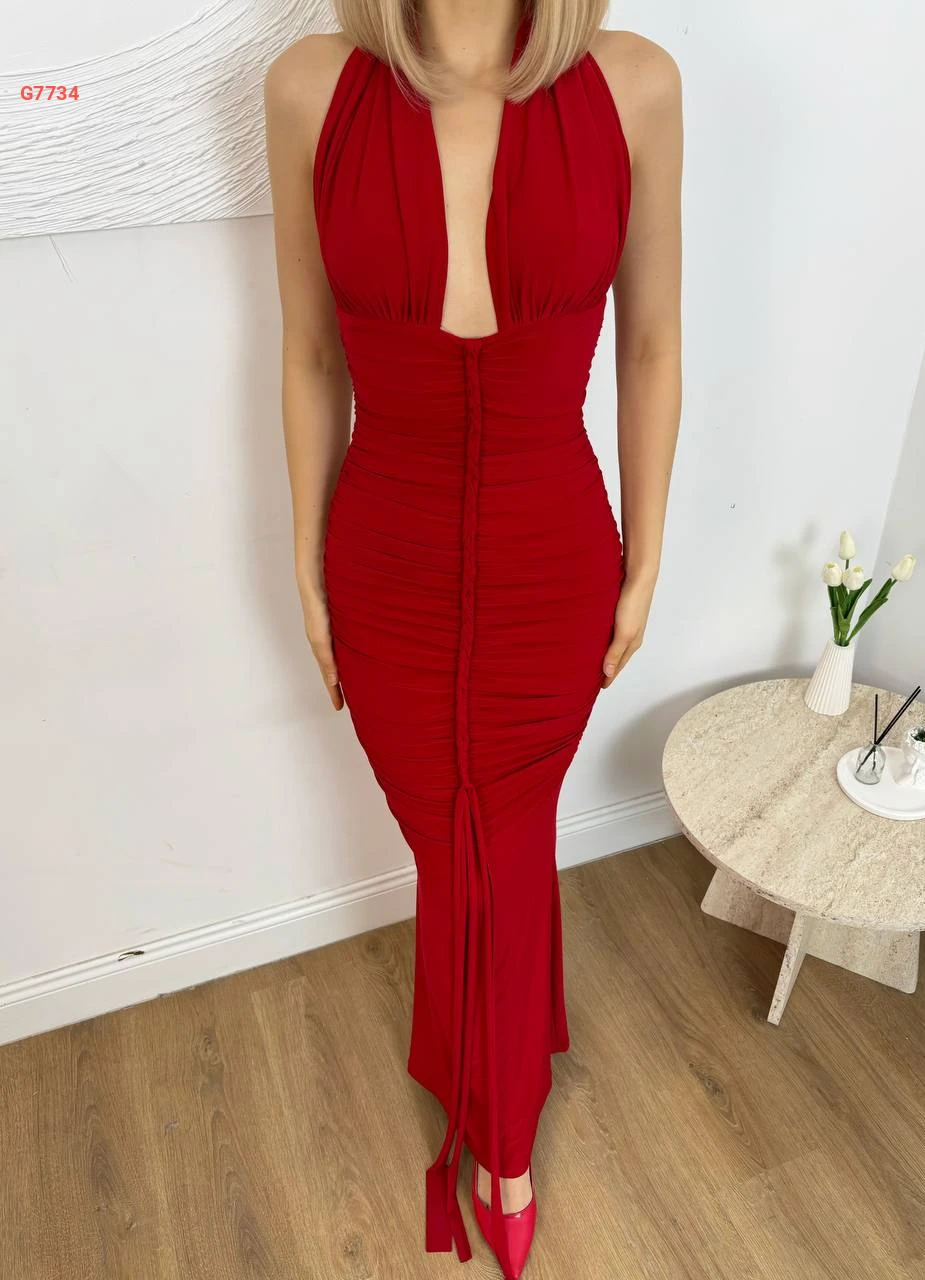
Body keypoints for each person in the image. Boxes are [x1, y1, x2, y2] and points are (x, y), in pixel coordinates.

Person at [264, 1, 682, 1274]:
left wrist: (647, 559)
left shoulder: (633, 84)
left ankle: (497, 1133)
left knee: (493, 841)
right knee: (462, 846)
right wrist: (304, 559)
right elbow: (309, 353)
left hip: (551, 554)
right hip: (382, 552)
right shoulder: (308, 88)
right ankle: (505, 1053)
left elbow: (651, 342)